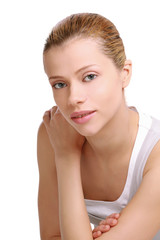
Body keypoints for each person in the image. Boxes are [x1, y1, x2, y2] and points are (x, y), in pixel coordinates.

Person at [37, 13, 160, 240]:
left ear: (124, 74)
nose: (73, 98)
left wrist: (66, 156)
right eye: (60, 84)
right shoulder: (55, 133)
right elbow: (52, 235)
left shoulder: (156, 154)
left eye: (89, 76)